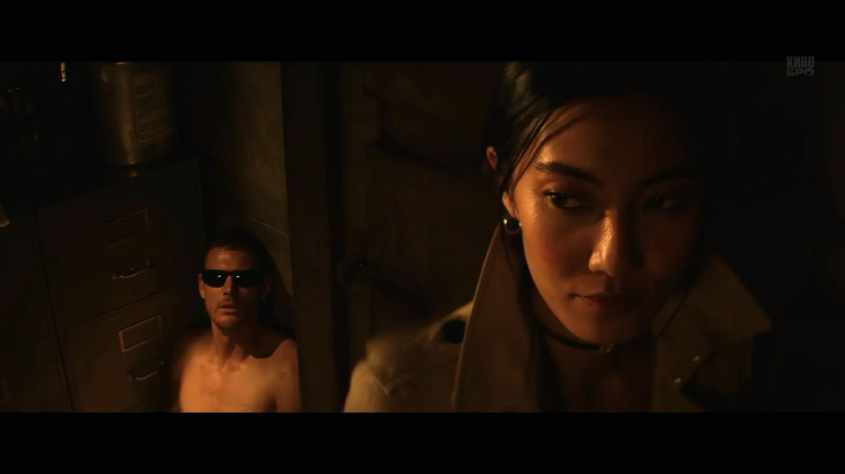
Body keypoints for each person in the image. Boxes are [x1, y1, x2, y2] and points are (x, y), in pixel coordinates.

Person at [344, 62, 841, 412]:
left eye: (663, 202)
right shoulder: (403, 396)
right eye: (566, 199)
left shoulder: (748, 347)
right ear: (505, 187)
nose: (614, 260)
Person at [169, 227, 300, 412]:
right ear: (202, 287)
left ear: (264, 287)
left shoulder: (285, 362)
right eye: (216, 278)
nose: (229, 289)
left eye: (243, 279)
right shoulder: (187, 349)